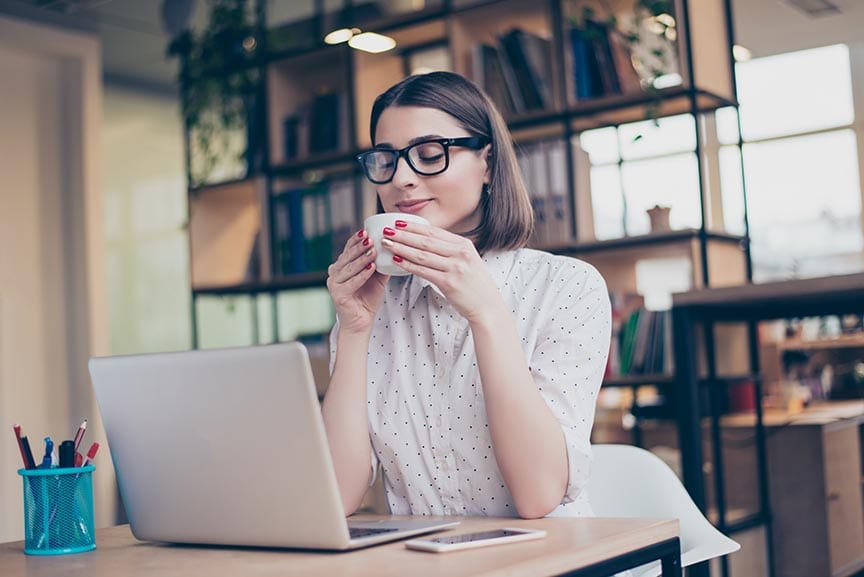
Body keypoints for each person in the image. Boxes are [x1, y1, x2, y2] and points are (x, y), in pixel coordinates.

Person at [322, 71, 611, 519]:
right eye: (385, 159)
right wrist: (355, 330)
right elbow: (335, 499)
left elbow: (538, 495)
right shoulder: (373, 307)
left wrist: (487, 312)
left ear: (489, 163)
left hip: (550, 560)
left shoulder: (567, 286)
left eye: (429, 154)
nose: (400, 178)